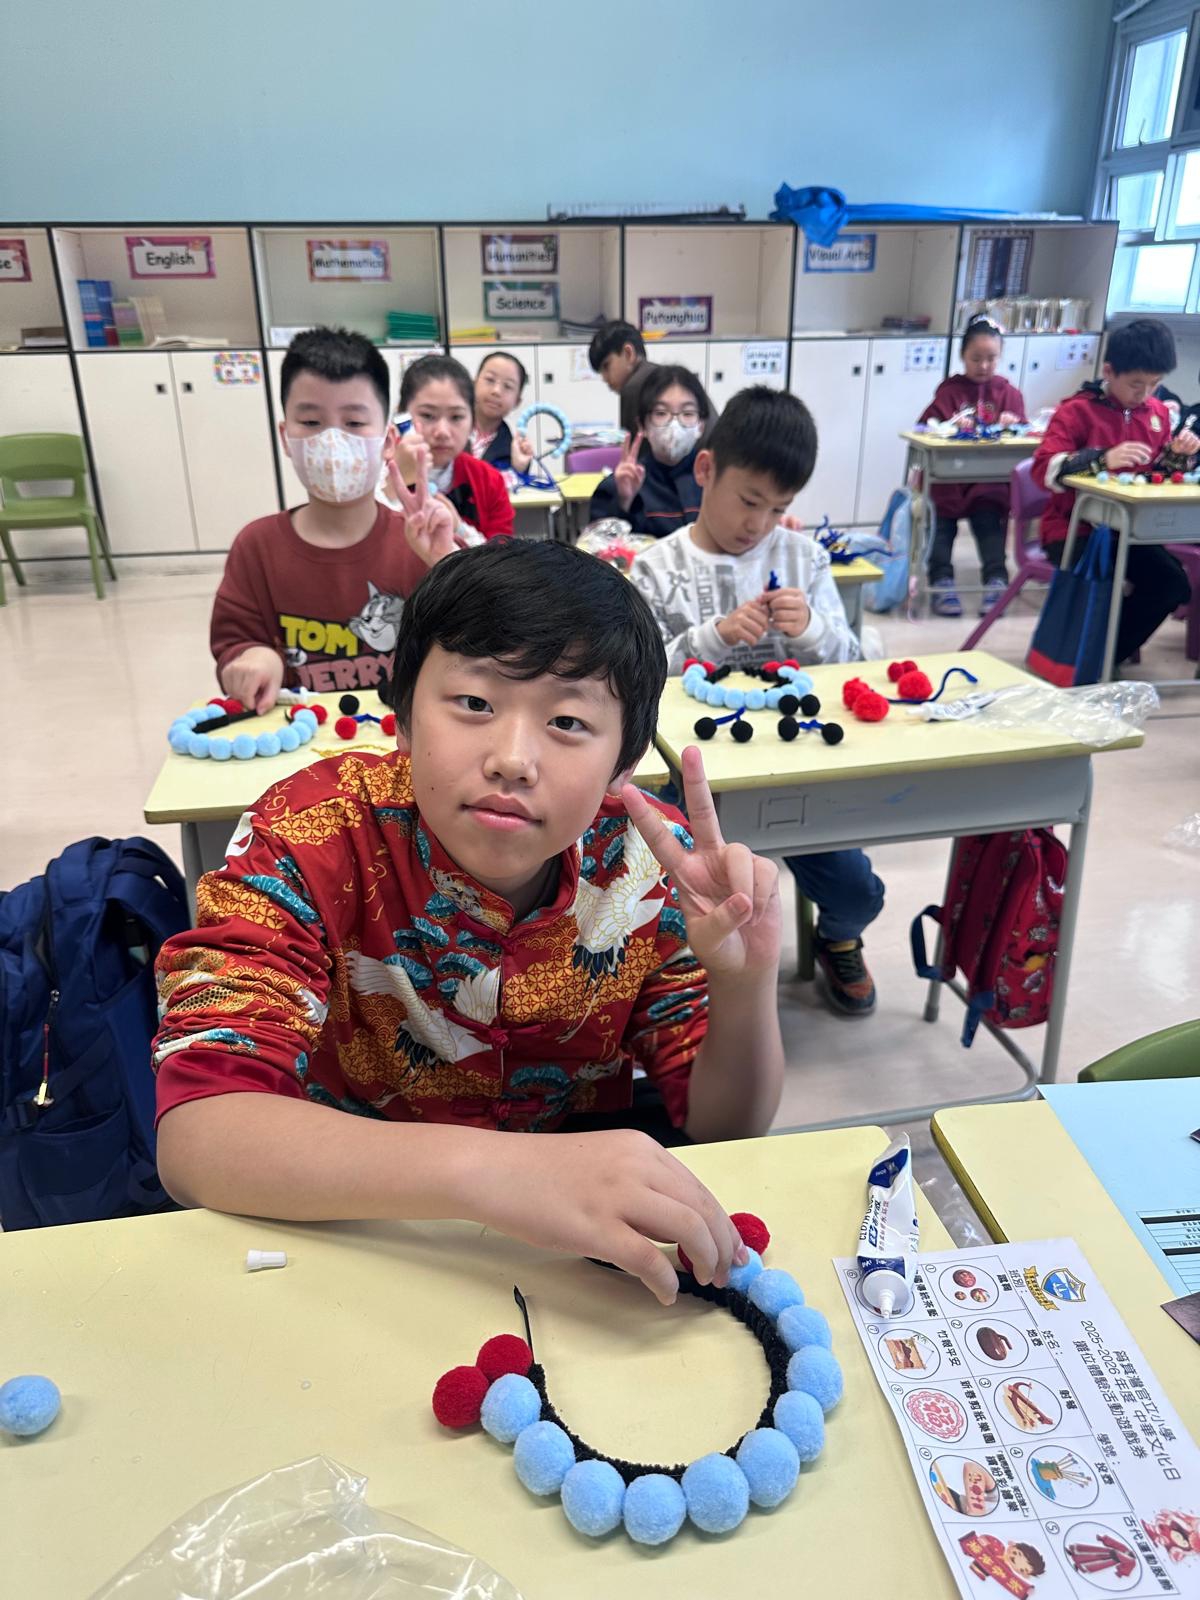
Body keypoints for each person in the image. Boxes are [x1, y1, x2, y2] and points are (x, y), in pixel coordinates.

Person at [153, 540, 785, 1306]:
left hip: (573, 1252)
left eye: (567, 721)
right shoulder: (308, 834)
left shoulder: (652, 862)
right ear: (404, 717)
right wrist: (498, 1174)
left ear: (622, 765)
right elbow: (198, 1133)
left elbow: (726, 1129)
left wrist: (745, 983)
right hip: (350, 1224)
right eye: (476, 704)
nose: (512, 758)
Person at [629, 386, 884, 1018]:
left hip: (794, 771)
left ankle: (838, 936)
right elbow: (633, 674)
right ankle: (685, 969)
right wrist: (711, 637)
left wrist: (814, 631)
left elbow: (853, 667)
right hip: (691, 779)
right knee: (660, 888)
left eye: (778, 509)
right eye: (749, 501)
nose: (759, 524)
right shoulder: (656, 567)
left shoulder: (803, 560)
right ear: (706, 469)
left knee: (857, 890)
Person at [210, 327, 463, 707]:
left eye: (354, 423)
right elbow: (234, 643)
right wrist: (252, 658)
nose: (332, 443)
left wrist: (447, 562)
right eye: (311, 422)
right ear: (286, 437)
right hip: (299, 733)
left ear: (388, 441)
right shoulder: (257, 547)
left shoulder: (419, 545)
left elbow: (482, 644)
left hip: (401, 735)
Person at [1032, 318, 1198, 666]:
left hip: (1131, 531)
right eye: (1136, 384)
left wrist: (1177, 456)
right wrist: (1101, 459)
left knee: (1172, 584)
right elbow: (1044, 469)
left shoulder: (1156, 414)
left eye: (1155, 384)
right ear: (1108, 371)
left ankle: (1106, 655)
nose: (1145, 393)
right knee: (1102, 584)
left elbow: (1155, 473)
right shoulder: (1076, 411)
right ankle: (1087, 656)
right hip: (1073, 530)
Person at [918, 315, 1027, 617]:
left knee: (990, 519)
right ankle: (941, 580)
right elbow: (925, 427)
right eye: (976, 358)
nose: (983, 366)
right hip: (949, 481)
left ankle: (996, 580)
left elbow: (1025, 432)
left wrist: (1012, 424)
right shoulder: (949, 392)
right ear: (962, 356)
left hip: (987, 483)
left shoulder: (1008, 393)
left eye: (991, 358)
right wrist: (949, 426)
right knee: (941, 523)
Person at [389, 354, 514, 539]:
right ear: (401, 415)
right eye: (427, 415)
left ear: (472, 421)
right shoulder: (376, 474)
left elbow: (505, 553)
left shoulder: (489, 481)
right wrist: (391, 488)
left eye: (456, 417)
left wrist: (459, 529)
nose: (442, 432)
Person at [587, 364, 713, 537]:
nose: (674, 424)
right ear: (642, 425)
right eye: (661, 413)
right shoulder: (618, 486)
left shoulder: (716, 481)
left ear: (701, 426)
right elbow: (599, 547)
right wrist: (623, 502)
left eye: (687, 413)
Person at [469, 350, 534, 481]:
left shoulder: (513, 451)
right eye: (490, 380)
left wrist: (518, 469)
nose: (496, 391)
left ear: (517, 401)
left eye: (508, 386)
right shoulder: (448, 429)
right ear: (474, 383)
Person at [588, 319, 660, 435]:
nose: (605, 379)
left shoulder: (633, 388)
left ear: (628, 353)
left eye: (606, 366)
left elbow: (632, 444)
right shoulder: (670, 377)